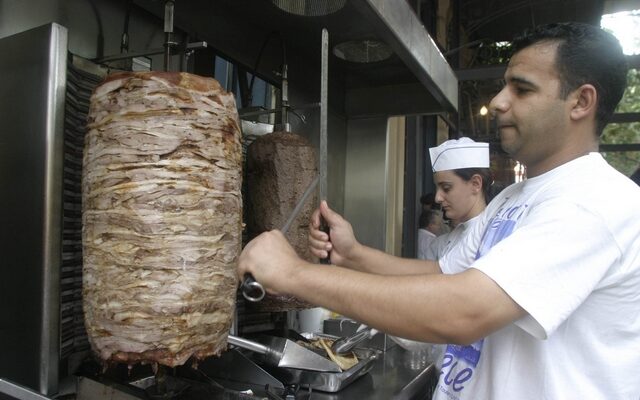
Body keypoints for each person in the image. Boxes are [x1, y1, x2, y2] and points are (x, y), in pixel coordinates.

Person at [238, 22, 640, 400]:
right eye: (504, 86)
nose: (498, 101)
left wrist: (293, 274)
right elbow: (444, 274)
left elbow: (463, 309)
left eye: (522, 89)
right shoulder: (515, 197)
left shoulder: (594, 201)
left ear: (581, 102)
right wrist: (354, 254)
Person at [425, 138, 493, 261]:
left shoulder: (494, 240)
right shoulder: (440, 244)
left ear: (475, 184)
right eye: (437, 188)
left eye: (446, 188)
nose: (437, 198)